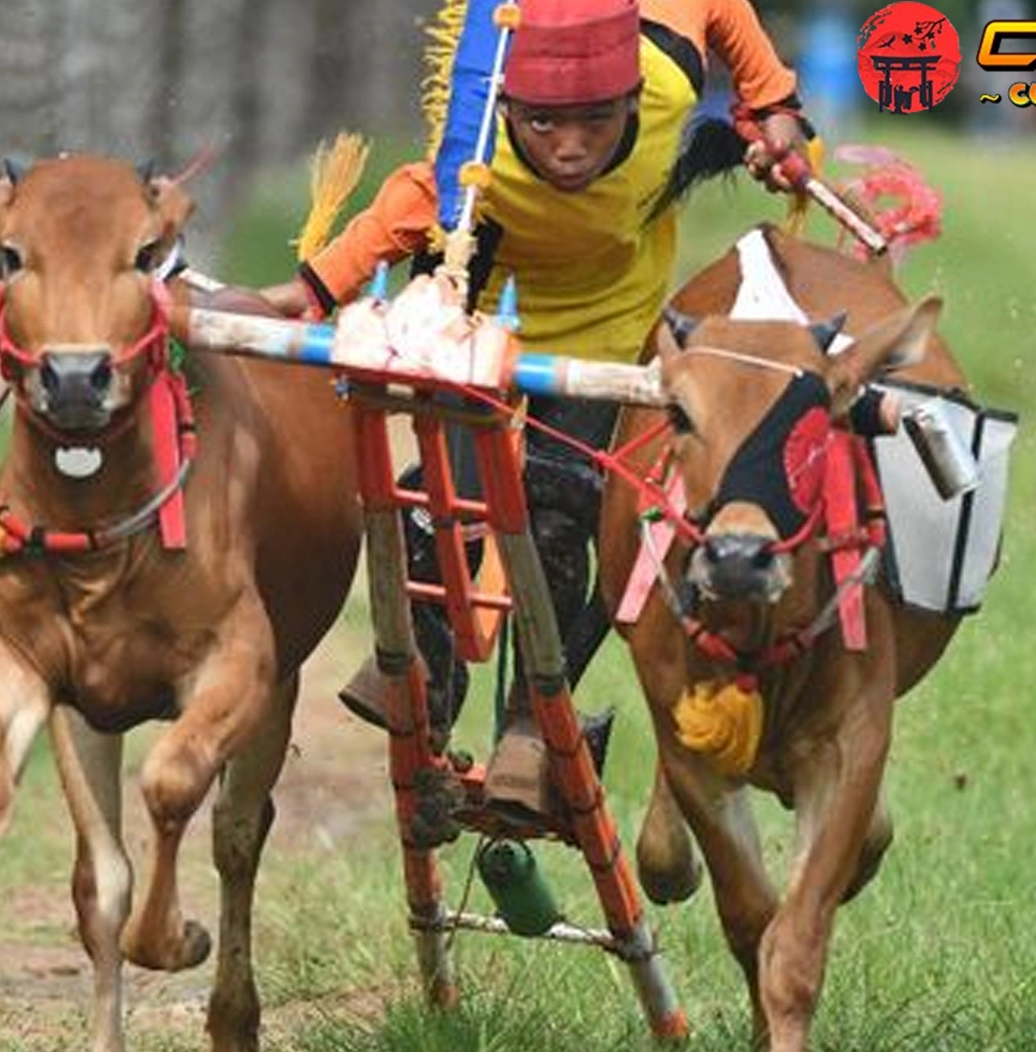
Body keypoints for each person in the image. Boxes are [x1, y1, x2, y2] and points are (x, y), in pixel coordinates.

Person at [262, 0, 813, 818]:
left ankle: (532, 722)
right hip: (481, 297)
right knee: (434, 503)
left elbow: (734, 32)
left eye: (594, 121)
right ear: (512, 105)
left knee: (564, 508)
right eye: (545, 122)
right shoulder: (476, 150)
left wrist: (776, 116)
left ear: (631, 102)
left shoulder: (666, 82)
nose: (569, 145)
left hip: (604, 314)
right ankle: (425, 674)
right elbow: (401, 211)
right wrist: (304, 293)